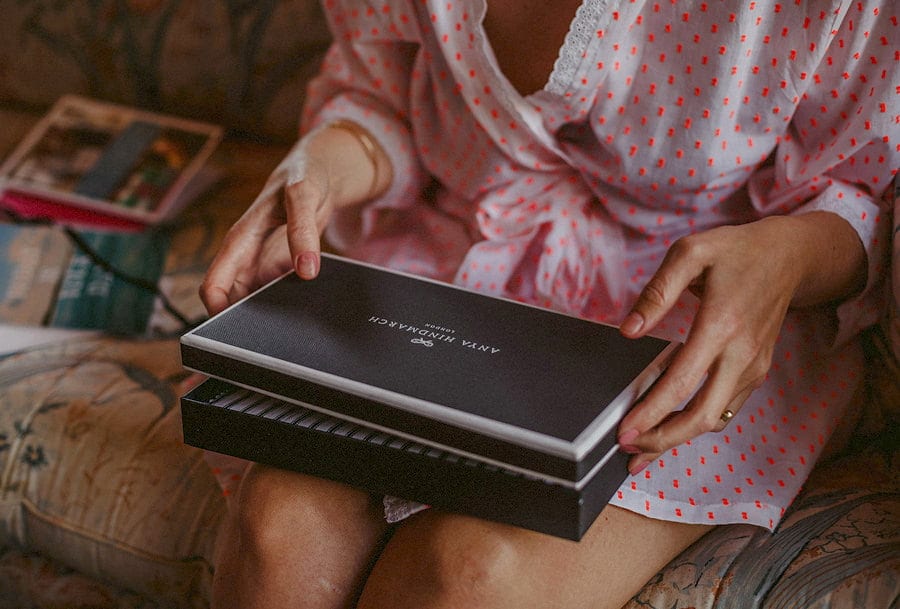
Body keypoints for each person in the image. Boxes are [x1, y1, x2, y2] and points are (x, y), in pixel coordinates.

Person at [199, 1, 897, 607]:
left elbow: (864, 191)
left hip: (697, 313)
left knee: (470, 573)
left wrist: (782, 258)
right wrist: (314, 171)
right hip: (461, 265)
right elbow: (385, 99)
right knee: (282, 527)